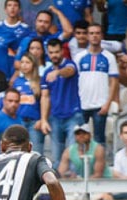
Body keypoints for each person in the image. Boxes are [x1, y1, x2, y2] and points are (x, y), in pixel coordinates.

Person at [39, 38, 83, 167]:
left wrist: (58, 72)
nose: (54, 55)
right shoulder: (46, 73)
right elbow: (45, 97)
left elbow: (70, 71)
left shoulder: (70, 64)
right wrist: (43, 119)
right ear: (47, 53)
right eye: (51, 52)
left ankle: (74, 178)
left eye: (57, 52)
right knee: (57, 157)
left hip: (73, 115)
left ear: (62, 51)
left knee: (73, 155)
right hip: (55, 117)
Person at [74, 23, 119, 147]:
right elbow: (74, 81)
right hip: (82, 104)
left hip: (100, 104)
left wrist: (108, 103)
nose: (94, 36)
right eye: (92, 33)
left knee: (99, 140)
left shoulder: (109, 57)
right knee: (80, 139)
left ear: (102, 36)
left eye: (97, 33)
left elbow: (114, 81)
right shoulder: (79, 57)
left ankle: (100, 160)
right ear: (87, 36)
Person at [13, 54, 44, 154]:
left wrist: (42, 119)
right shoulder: (17, 82)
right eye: (22, 62)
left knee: (35, 153)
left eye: (27, 62)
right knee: (18, 152)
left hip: (34, 123)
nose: (24, 65)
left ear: (33, 65)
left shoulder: (40, 81)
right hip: (19, 121)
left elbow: (45, 102)